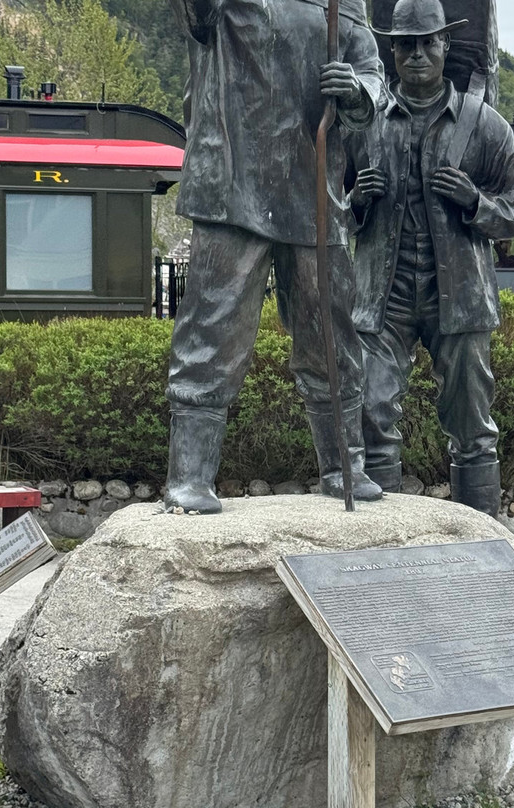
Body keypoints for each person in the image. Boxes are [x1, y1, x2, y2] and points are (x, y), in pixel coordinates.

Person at [163, 0, 387, 513]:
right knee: (213, 329)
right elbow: (197, 16)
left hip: (312, 193)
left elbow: (375, 77)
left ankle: (343, 464)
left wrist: (356, 92)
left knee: (330, 331)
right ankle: (189, 476)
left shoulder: (344, 4)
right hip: (232, 187)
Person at [344, 0, 514, 515]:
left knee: (472, 425)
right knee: (371, 416)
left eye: (428, 42)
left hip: (462, 300)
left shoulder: (487, 126)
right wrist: (356, 199)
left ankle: (481, 541)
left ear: (446, 46)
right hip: (383, 300)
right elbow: (327, 219)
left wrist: (475, 201)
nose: (418, 54)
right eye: (406, 44)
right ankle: (383, 544)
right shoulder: (364, 125)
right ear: (392, 51)